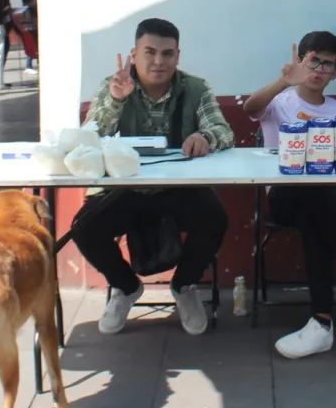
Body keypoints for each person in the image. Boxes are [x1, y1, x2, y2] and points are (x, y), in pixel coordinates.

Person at [75, 18, 234, 336]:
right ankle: (125, 287)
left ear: (177, 55)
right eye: (150, 52)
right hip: (126, 190)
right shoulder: (114, 84)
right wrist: (116, 100)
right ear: (134, 53)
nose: (159, 61)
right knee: (84, 227)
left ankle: (184, 285)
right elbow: (89, 137)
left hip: (179, 189)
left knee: (214, 218)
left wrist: (205, 137)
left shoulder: (195, 88)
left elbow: (223, 130)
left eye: (167, 53)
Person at [242, 31, 336, 358]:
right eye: (314, 60)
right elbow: (250, 109)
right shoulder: (279, 102)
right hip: (284, 198)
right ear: (302, 60)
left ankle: (322, 324)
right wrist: (282, 82)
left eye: (328, 64)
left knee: (318, 208)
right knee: (314, 205)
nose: (319, 69)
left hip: (332, 199)